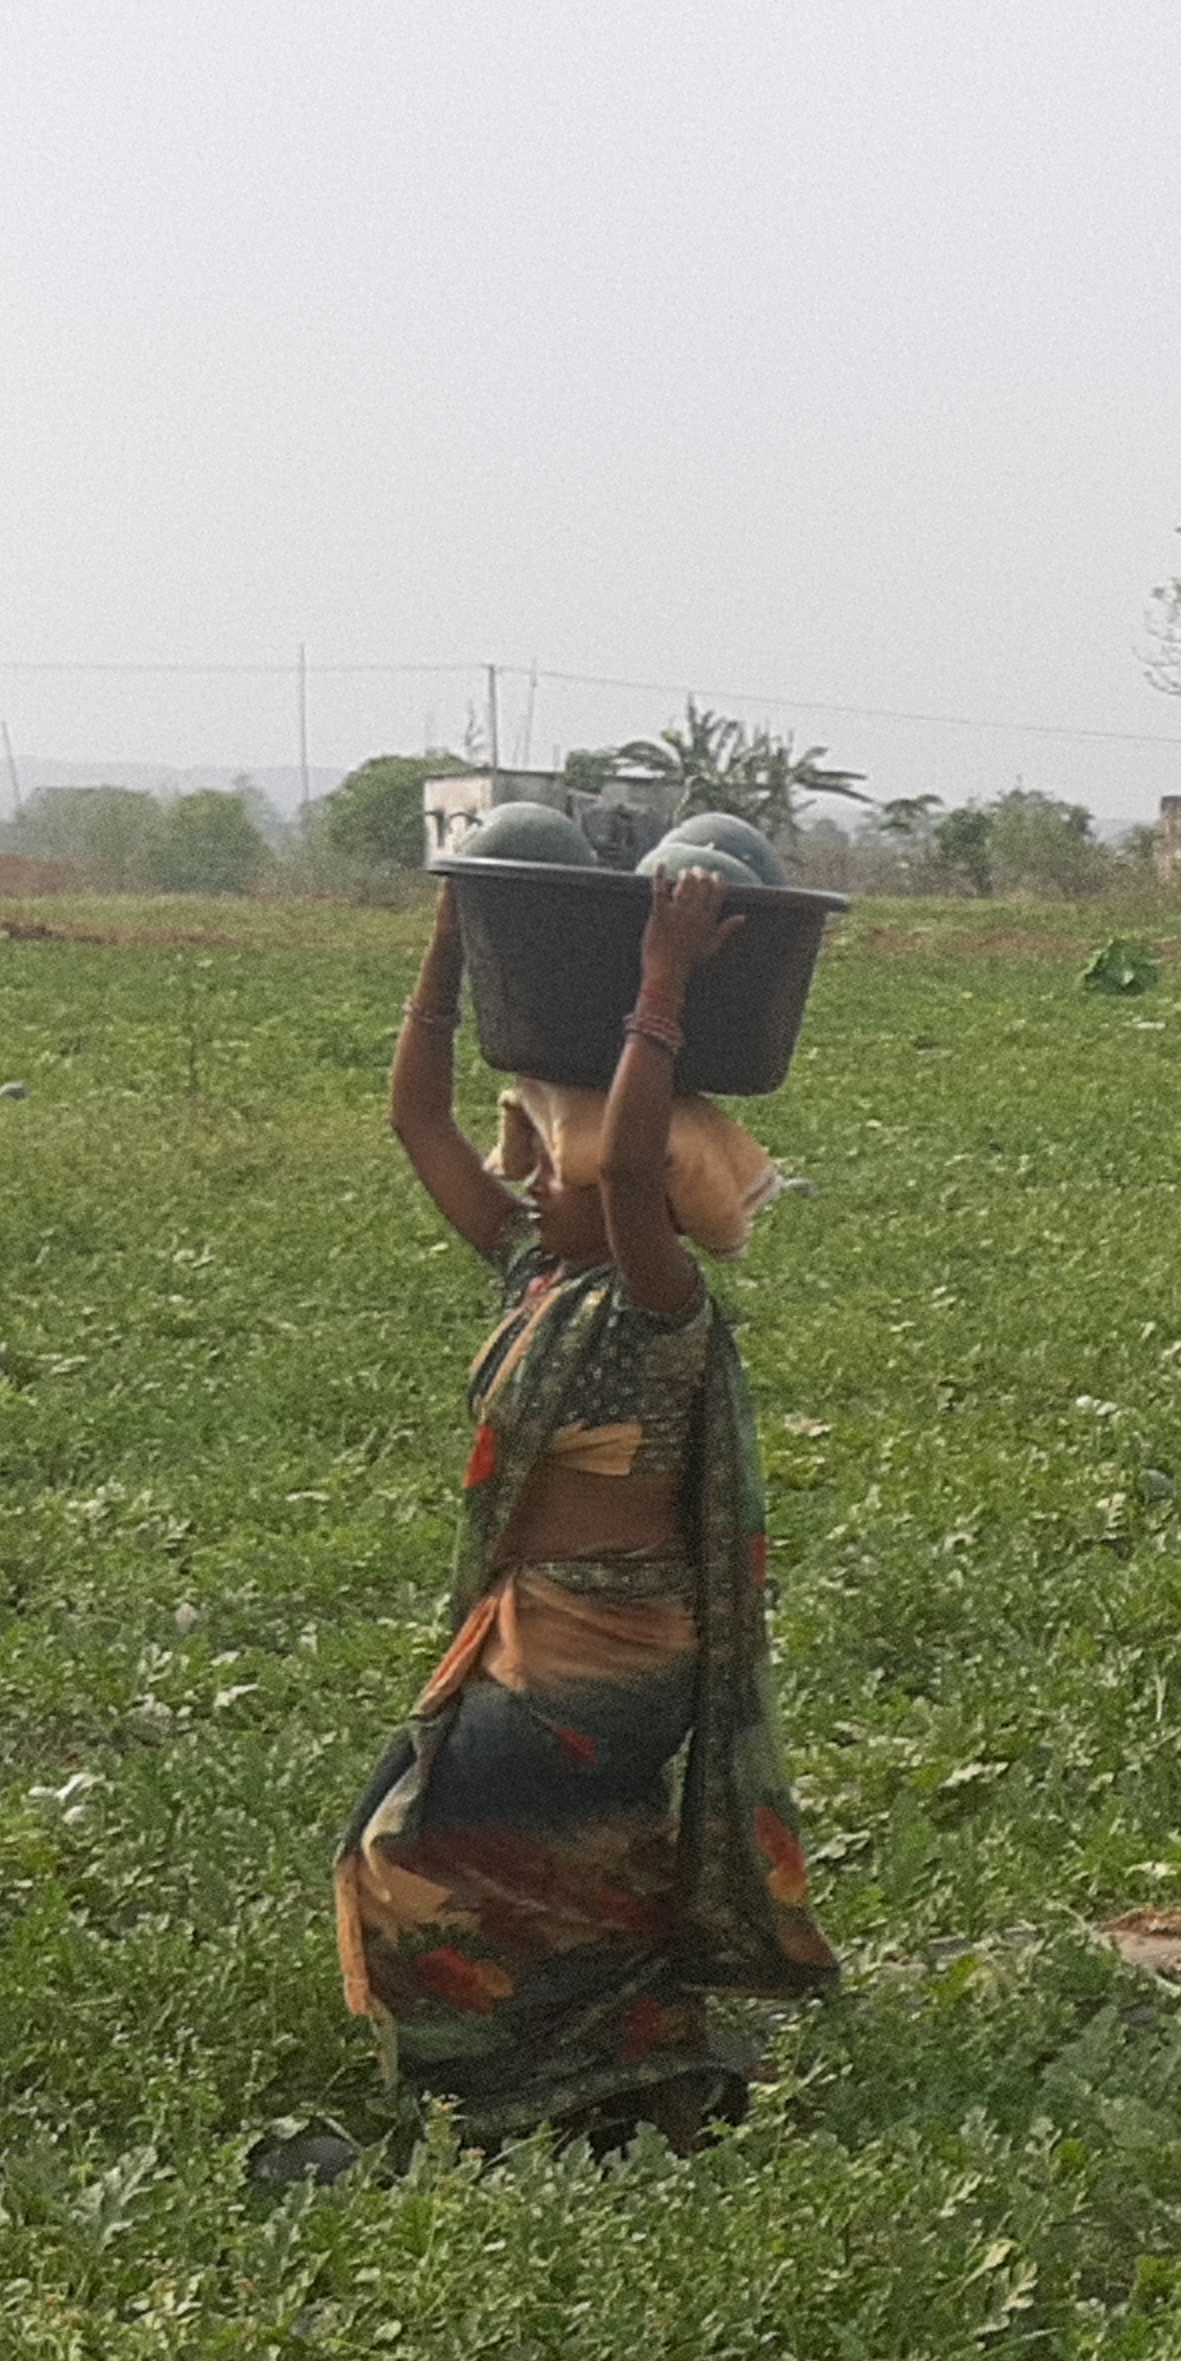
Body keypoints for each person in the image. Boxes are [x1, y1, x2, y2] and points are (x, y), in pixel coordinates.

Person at [340, 870, 835, 2150]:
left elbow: (621, 1164)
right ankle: (639, 2074)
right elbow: (413, 1121)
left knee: (409, 1852)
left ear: (640, 1200)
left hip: (603, 1655)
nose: (525, 1177)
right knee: (590, 1866)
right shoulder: (537, 1275)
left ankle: (506, 2088)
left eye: (548, 1164)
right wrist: (453, 940)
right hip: (532, 1635)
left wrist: (662, 981)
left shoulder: (652, 1307)